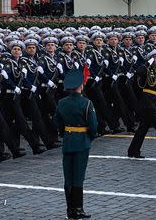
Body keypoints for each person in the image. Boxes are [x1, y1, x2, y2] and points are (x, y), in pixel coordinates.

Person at [55, 69, 97, 220]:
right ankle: (78, 209)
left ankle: (70, 209)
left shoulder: (61, 103)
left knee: (68, 177)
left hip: (68, 141)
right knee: (78, 176)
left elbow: (57, 123)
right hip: (81, 142)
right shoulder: (86, 103)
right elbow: (93, 126)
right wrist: (89, 137)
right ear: (80, 86)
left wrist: (65, 134)